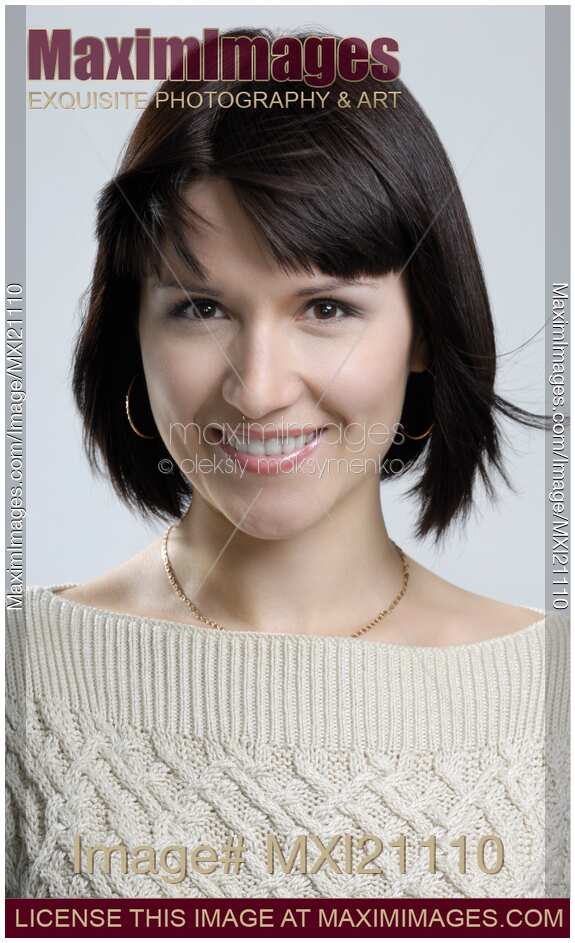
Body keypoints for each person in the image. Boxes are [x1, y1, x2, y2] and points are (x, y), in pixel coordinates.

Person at [6, 28, 569, 899]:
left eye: (326, 309)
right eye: (200, 308)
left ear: (423, 332)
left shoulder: (551, 696)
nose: (260, 389)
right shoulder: (20, 679)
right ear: (132, 334)